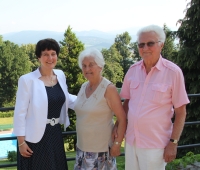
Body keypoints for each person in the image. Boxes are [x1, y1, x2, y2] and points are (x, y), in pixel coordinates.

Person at [118, 25, 190, 170]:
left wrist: (173, 143)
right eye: (141, 44)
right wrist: (117, 126)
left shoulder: (173, 72)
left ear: (161, 45)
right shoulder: (132, 71)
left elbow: (181, 112)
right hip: (132, 142)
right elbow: (126, 103)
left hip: (155, 145)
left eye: (150, 43)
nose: (145, 48)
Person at [13, 38, 76, 170]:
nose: (50, 58)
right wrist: (21, 142)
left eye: (53, 54)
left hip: (55, 134)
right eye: (45, 54)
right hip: (35, 139)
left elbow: (66, 98)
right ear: (38, 57)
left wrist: (92, 101)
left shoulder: (60, 75)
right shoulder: (27, 80)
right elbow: (20, 113)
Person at [73, 48, 127, 170]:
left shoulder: (108, 89)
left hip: (100, 152)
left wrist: (117, 144)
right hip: (82, 149)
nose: (87, 69)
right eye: (84, 66)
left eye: (91, 65)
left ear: (100, 66)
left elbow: (122, 118)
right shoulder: (83, 86)